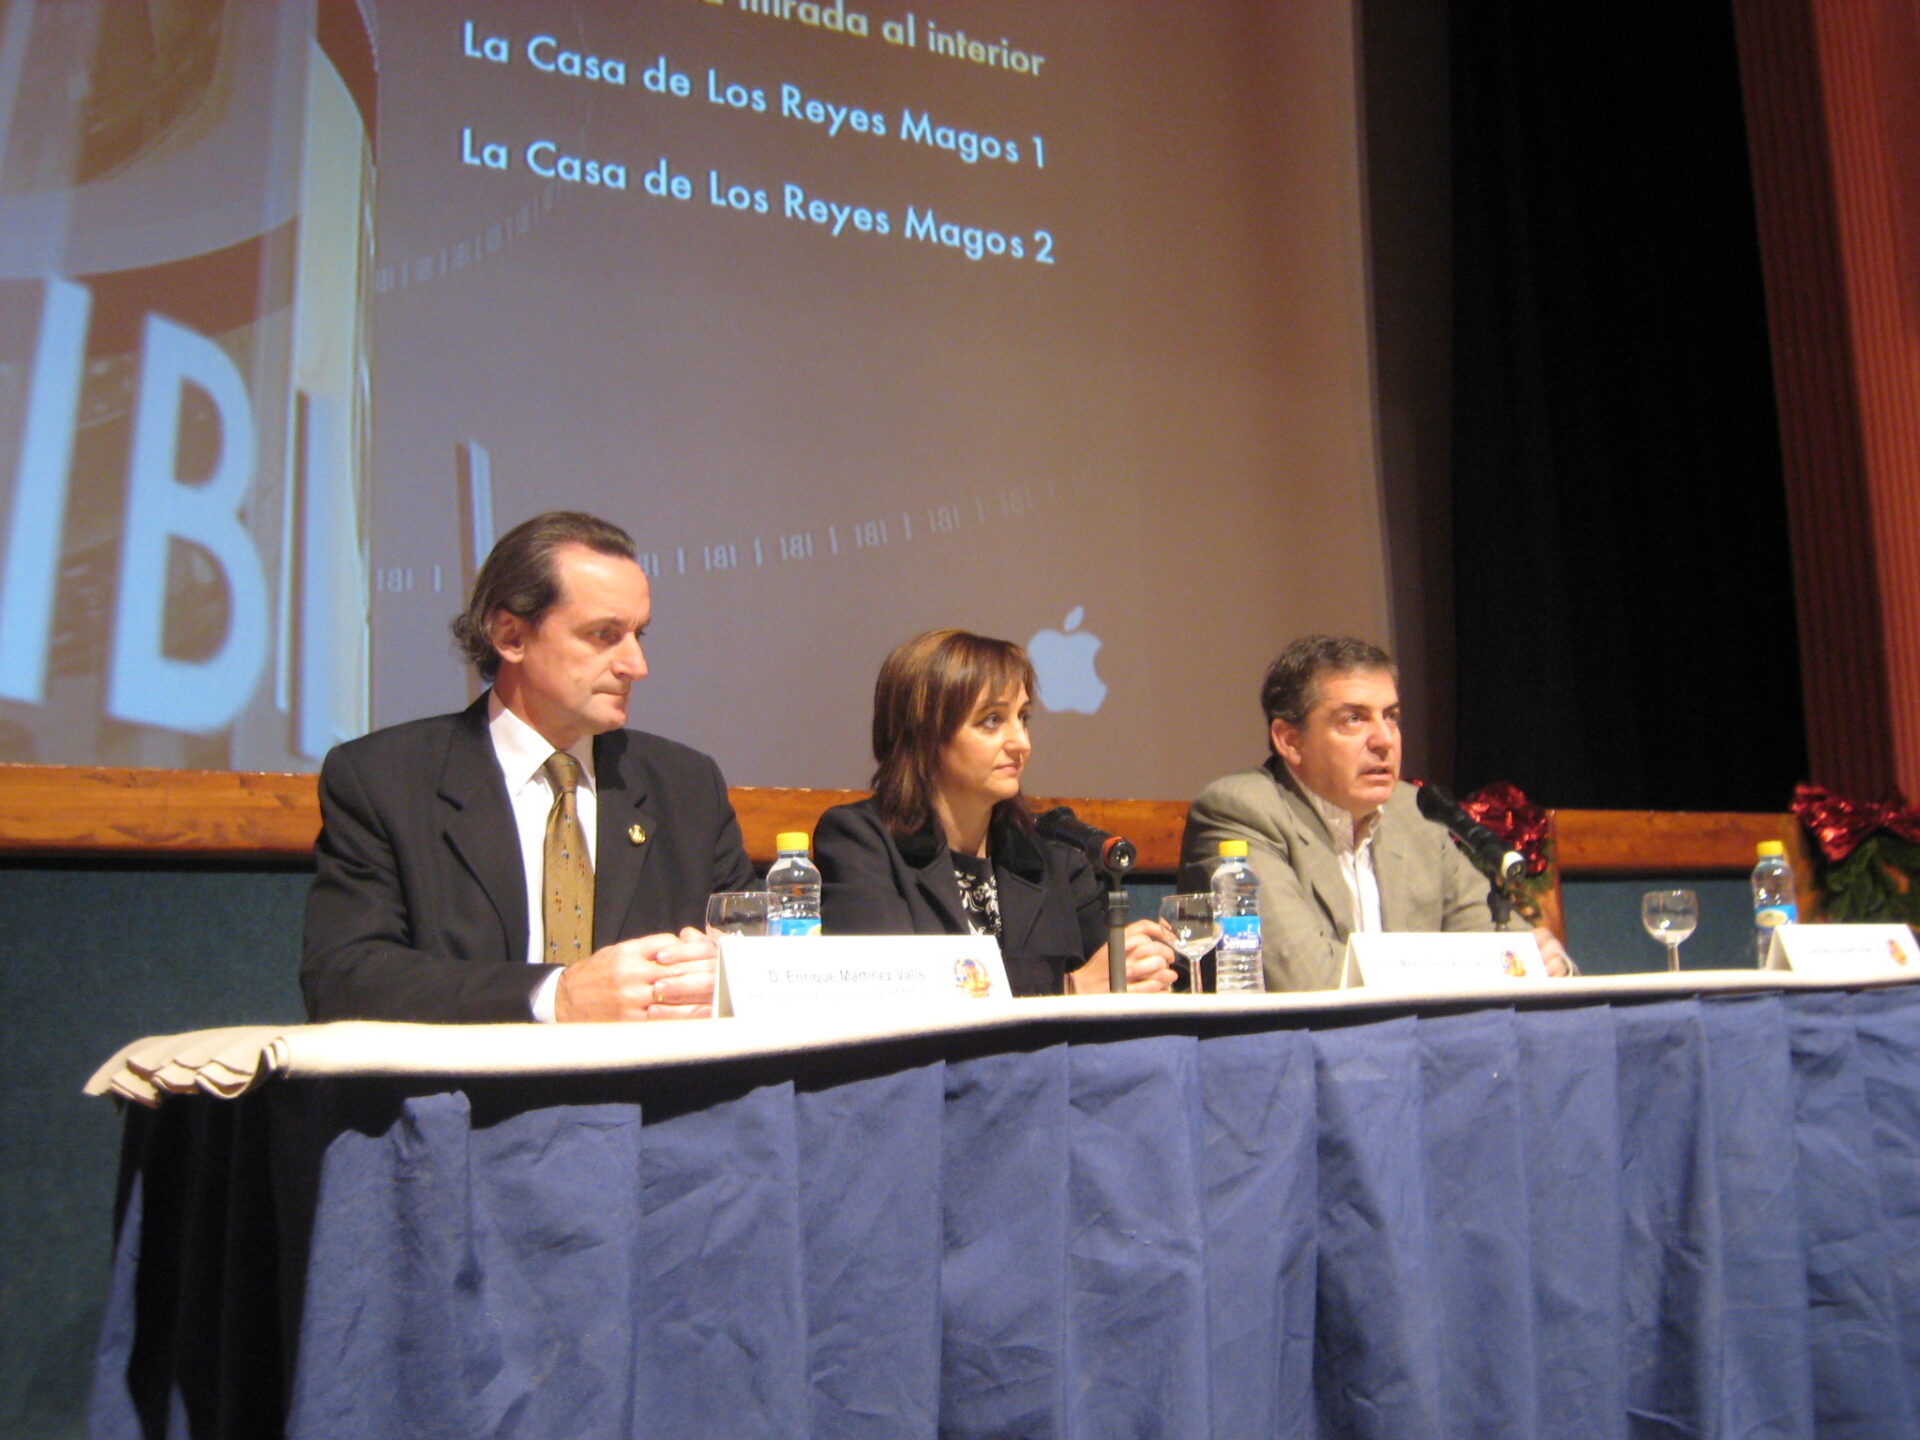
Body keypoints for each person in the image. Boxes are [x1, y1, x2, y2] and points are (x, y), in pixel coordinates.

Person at [302, 511, 754, 1023]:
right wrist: (556, 996)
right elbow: (344, 978)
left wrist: (726, 973)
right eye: (604, 634)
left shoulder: (685, 786)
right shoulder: (385, 778)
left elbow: (762, 956)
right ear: (510, 635)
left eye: (638, 635)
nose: (636, 666)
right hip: (473, 1072)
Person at [1179, 634, 1574, 991]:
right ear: (1290, 740)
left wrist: (1539, 961)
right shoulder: (1242, 811)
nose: (1384, 740)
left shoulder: (1415, 813)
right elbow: (1304, 977)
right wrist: (1464, 967)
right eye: (1354, 719)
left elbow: (1510, 954)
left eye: (1391, 717)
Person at [815, 629, 1178, 997]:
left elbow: (1106, 976)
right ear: (924, 733)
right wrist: (1065, 985)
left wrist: (1140, 969)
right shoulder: (859, 841)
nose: (1021, 743)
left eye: (1023, 718)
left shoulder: (1058, 862)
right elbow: (885, 983)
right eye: (992, 720)